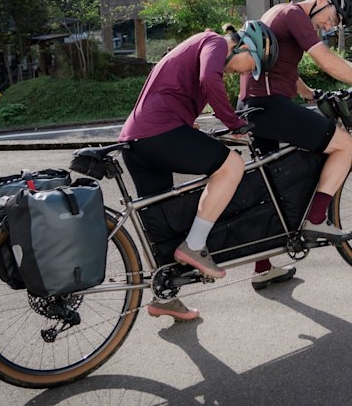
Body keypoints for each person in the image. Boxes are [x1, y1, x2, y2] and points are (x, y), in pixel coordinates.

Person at [118, 21, 279, 321]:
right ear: (243, 46)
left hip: (137, 140)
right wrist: (234, 123)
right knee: (232, 165)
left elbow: (173, 89)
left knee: (163, 226)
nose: (246, 73)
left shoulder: (198, 47)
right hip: (158, 132)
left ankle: (165, 297)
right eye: (252, 65)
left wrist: (190, 124)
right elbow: (208, 79)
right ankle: (195, 246)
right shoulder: (215, 42)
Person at [241, 0, 352, 289]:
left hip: (253, 106)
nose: (330, 26)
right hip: (270, 106)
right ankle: (316, 220)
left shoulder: (279, 13)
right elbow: (325, 60)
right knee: (343, 145)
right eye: (333, 18)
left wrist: (309, 93)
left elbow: (280, 66)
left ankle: (263, 268)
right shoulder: (295, 14)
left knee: (272, 185)